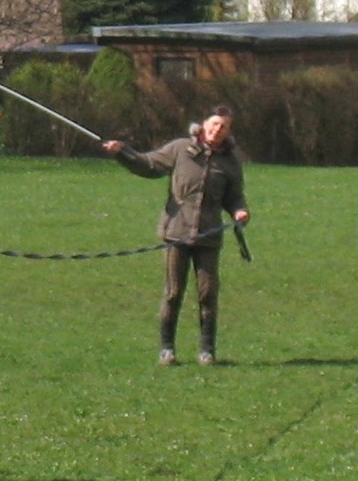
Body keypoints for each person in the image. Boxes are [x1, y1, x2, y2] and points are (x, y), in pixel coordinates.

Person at [101, 106, 250, 367]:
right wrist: (122, 153)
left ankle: (207, 351)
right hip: (176, 234)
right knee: (173, 293)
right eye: (214, 124)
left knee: (207, 294)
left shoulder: (230, 161)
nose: (217, 130)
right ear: (204, 124)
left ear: (229, 131)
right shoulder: (180, 149)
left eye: (223, 126)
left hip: (208, 237)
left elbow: (234, 196)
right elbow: (148, 165)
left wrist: (240, 211)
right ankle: (167, 350)